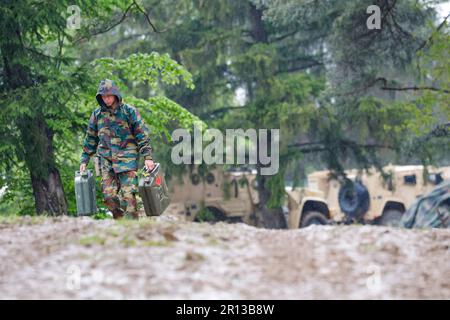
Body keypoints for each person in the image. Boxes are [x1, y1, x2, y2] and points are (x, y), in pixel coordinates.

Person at [80, 79, 155, 219]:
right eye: (103, 97)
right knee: (109, 198)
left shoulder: (129, 112)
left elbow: (142, 135)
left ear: (115, 95)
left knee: (129, 197)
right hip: (106, 160)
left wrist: (148, 157)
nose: (107, 99)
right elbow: (90, 138)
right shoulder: (97, 115)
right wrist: (84, 159)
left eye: (109, 96)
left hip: (127, 158)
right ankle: (120, 224)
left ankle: (132, 228)